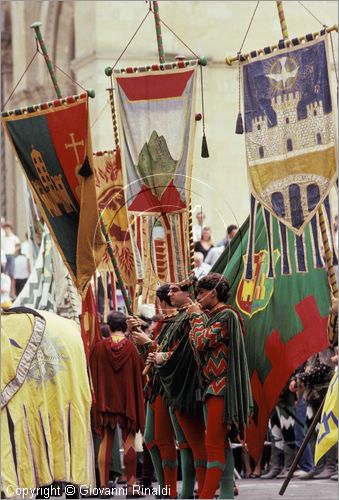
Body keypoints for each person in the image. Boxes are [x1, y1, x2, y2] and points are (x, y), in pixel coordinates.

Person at [130, 282, 207, 499]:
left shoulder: (191, 317)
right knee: (154, 438)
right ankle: (171, 490)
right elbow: (155, 354)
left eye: (176, 290)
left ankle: (191, 491)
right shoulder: (171, 321)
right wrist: (141, 339)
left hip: (176, 386)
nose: (172, 294)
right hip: (158, 385)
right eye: (170, 291)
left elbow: (180, 354)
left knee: (190, 442)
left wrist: (149, 344)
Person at [187, 273, 252, 499]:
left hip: (221, 388)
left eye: (201, 294)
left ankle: (205, 496)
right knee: (221, 445)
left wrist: (195, 317)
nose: (198, 298)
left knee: (213, 446)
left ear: (213, 293)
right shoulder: (214, 315)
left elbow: (201, 340)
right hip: (212, 387)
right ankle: (225, 495)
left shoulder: (226, 316)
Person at [90, 311, 146, 498]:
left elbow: (93, 374)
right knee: (129, 439)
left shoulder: (98, 348)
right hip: (127, 401)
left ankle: (104, 487)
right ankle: (131, 485)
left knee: (106, 440)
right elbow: (140, 374)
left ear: (109, 326)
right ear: (125, 326)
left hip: (106, 401)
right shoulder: (132, 348)